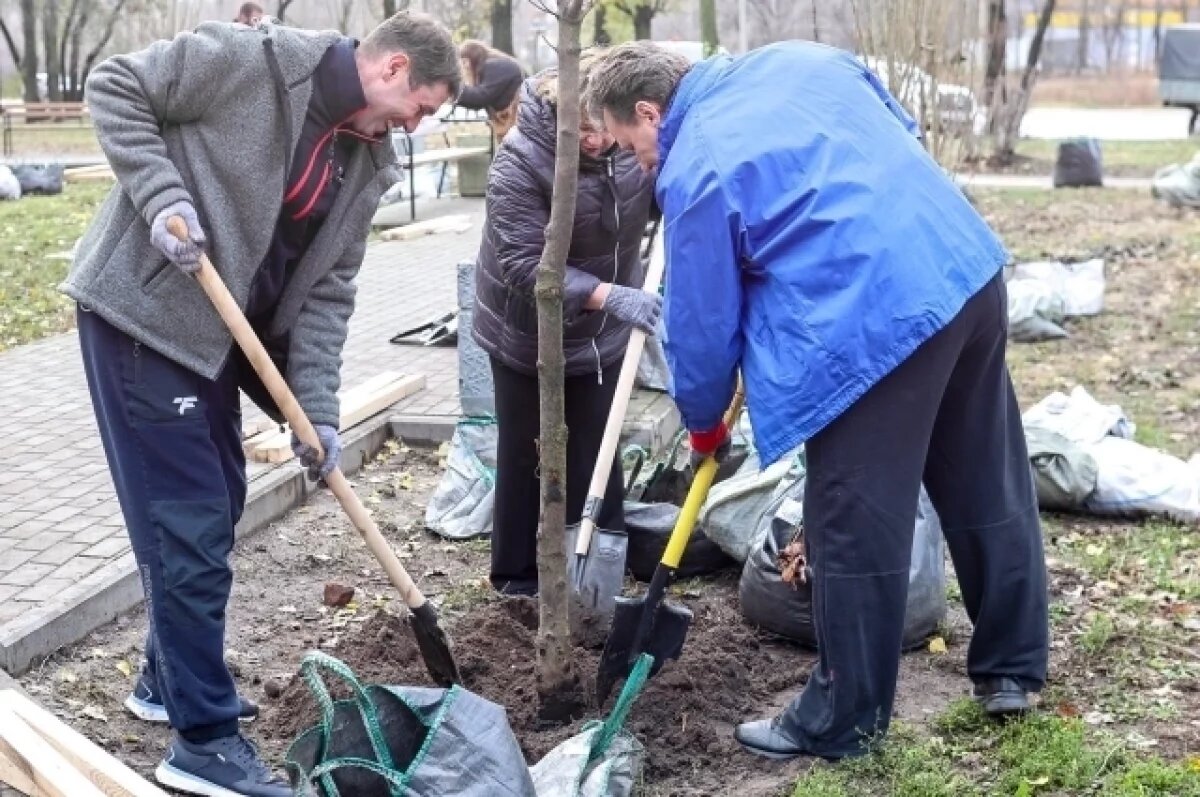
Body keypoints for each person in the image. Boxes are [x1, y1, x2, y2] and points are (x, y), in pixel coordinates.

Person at [586, 41, 1049, 760]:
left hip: (870, 324)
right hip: (959, 270)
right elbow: (899, 137)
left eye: (629, 144)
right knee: (984, 478)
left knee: (854, 522)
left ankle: (843, 719)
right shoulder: (805, 59)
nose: (636, 161)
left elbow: (702, 325)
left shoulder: (695, 164)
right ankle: (1013, 669)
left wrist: (704, 423)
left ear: (650, 111)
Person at [60, 12, 460, 796]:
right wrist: (164, 196)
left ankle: (162, 677)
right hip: (150, 314)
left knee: (222, 499)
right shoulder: (255, 62)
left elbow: (327, 297)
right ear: (393, 69)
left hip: (227, 340)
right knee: (188, 521)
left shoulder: (368, 159)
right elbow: (114, 87)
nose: (422, 124)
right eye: (426, 105)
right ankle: (202, 740)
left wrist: (319, 412)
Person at [472, 53, 657, 596]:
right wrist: (608, 295)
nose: (600, 142)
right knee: (530, 452)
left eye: (606, 128)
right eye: (587, 130)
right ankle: (517, 581)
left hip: (604, 330)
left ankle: (599, 574)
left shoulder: (623, 143)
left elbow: (655, 194)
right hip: (528, 332)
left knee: (599, 448)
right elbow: (524, 264)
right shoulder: (522, 160)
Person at [457, 39, 525, 140]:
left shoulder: (495, 66)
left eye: (464, 63)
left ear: (469, 59)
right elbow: (477, 101)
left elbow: (480, 97)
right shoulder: (492, 67)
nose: (464, 68)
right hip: (512, 125)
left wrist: (451, 88)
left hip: (517, 122)